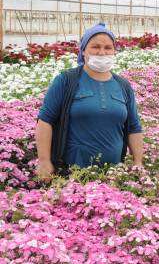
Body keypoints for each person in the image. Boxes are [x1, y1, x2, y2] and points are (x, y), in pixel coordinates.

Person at [35, 23, 144, 180]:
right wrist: (44, 161)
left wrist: (138, 162)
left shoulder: (123, 85)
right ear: (83, 50)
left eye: (108, 48)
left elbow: (134, 127)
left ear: (114, 51)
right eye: (95, 47)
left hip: (113, 175)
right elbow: (45, 121)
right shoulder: (66, 81)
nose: (102, 52)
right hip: (72, 173)